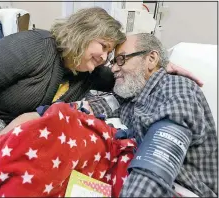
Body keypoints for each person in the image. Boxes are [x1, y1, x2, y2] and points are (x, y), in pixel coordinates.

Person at [0, 7, 201, 197]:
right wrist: (2, 131)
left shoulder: (88, 72)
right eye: (104, 47)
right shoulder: (34, 47)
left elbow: (131, 75)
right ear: (83, 33)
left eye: (111, 54)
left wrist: (163, 65)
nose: (105, 59)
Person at [88, 33, 217, 197]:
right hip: (139, 179)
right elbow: (101, 105)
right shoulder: (134, 94)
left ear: (151, 59)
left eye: (121, 59)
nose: (113, 68)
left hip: (181, 189)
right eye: (113, 62)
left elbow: (156, 165)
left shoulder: (176, 89)